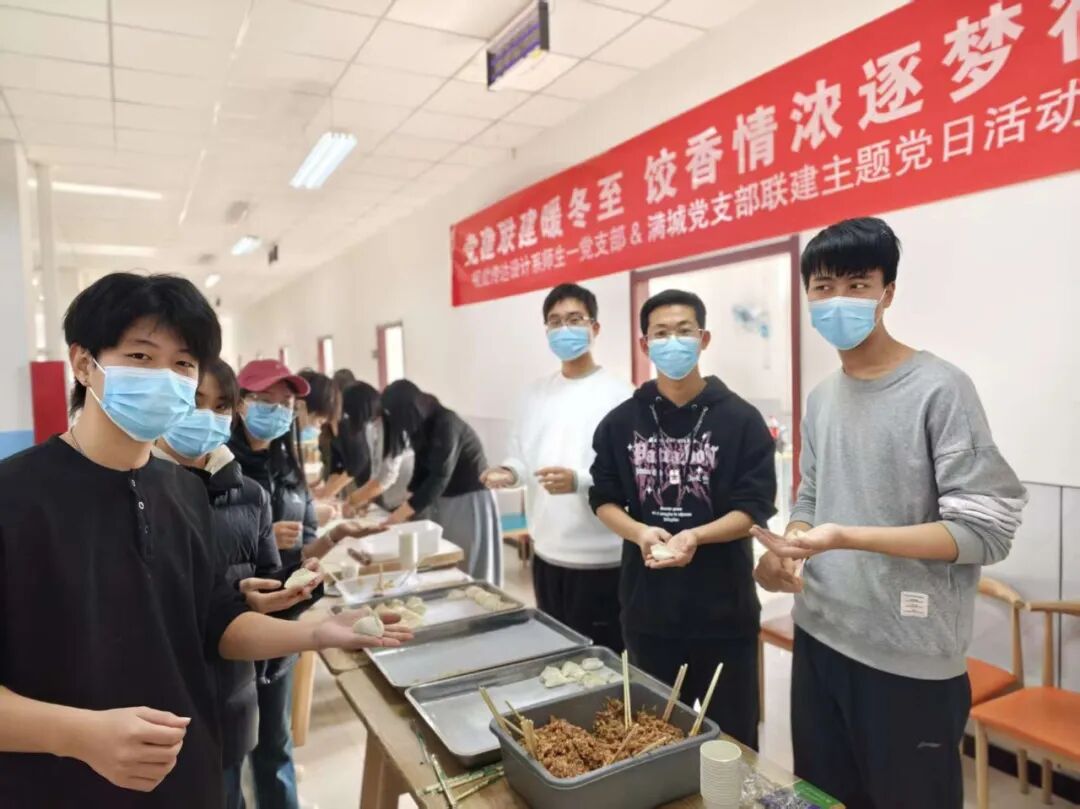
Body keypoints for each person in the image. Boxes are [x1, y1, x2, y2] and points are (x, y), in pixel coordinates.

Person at [0, 273, 411, 808]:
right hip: (63, 788)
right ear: (83, 363)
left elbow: (216, 623)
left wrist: (317, 633)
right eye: (141, 357)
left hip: (188, 776)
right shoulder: (15, 498)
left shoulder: (184, 491)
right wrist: (78, 736)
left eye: (182, 363)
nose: (165, 378)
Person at [752, 217, 1027, 809]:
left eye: (857, 284)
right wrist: (792, 545)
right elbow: (811, 495)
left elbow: (985, 530)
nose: (838, 300)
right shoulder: (822, 397)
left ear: (887, 293)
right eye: (823, 287)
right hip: (819, 636)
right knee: (824, 798)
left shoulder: (940, 389)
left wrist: (846, 536)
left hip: (909, 659)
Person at [589, 289, 777, 749]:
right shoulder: (619, 422)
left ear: (703, 338)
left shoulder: (741, 420)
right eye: (661, 333)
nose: (672, 341)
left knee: (732, 744)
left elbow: (754, 508)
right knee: (651, 740)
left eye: (684, 331)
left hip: (724, 613)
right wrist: (639, 532)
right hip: (648, 611)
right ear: (645, 344)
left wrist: (695, 536)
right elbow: (603, 499)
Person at [153, 358, 320, 809]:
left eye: (220, 406)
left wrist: (295, 587)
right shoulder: (139, 489)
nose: (207, 417)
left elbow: (268, 575)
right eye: (196, 402)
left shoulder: (255, 488)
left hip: (243, 671)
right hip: (174, 684)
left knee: (257, 761)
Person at [228, 358, 367, 809]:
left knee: (275, 742)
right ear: (239, 403)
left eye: (285, 403)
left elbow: (305, 548)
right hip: (230, 623)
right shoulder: (215, 466)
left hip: (282, 625)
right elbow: (203, 549)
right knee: (227, 752)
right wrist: (262, 535)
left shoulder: (289, 470)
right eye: (264, 400)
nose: (277, 410)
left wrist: (334, 538)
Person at [482, 283, 632, 652]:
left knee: (602, 660)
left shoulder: (621, 395)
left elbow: (631, 473)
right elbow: (521, 455)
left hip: (604, 556)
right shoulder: (534, 394)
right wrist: (509, 472)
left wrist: (579, 481)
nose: (564, 329)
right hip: (547, 551)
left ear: (595, 328)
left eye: (575, 319)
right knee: (556, 654)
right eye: (555, 321)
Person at [382, 380, 502, 585]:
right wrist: (408, 500)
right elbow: (421, 469)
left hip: (469, 499)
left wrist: (401, 513)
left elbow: (440, 475)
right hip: (445, 499)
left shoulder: (446, 423)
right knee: (446, 560)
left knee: (468, 560)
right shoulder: (421, 426)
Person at [340, 381, 415, 513]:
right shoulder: (373, 425)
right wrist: (367, 497)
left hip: (408, 495)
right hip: (391, 494)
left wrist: (354, 499)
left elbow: (388, 475)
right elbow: (376, 469)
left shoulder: (393, 424)